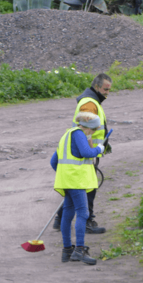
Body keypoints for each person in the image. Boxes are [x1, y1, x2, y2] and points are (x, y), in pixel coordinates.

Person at [53, 73, 112, 234]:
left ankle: (59, 219)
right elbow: (86, 130)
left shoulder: (91, 100)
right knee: (88, 188)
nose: (107, 93)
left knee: (76, 192)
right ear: (97, 87)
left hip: (81, 153)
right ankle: (87, 222)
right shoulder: (89, 104)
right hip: (83, 155)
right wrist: (92, 151)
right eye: (106, 89)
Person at [51, 112, 105, 265]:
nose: (93, 133)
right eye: (94, 130)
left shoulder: (66, 135)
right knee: (83, 213)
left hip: (67, 181)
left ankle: (67, 250)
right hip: (76, 182)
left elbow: (53, 161)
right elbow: (86, 153)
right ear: (88, 127)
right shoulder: (80, 134)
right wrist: (99, 149)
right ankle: (79, 250)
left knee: (67, 214)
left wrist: (65, 174)